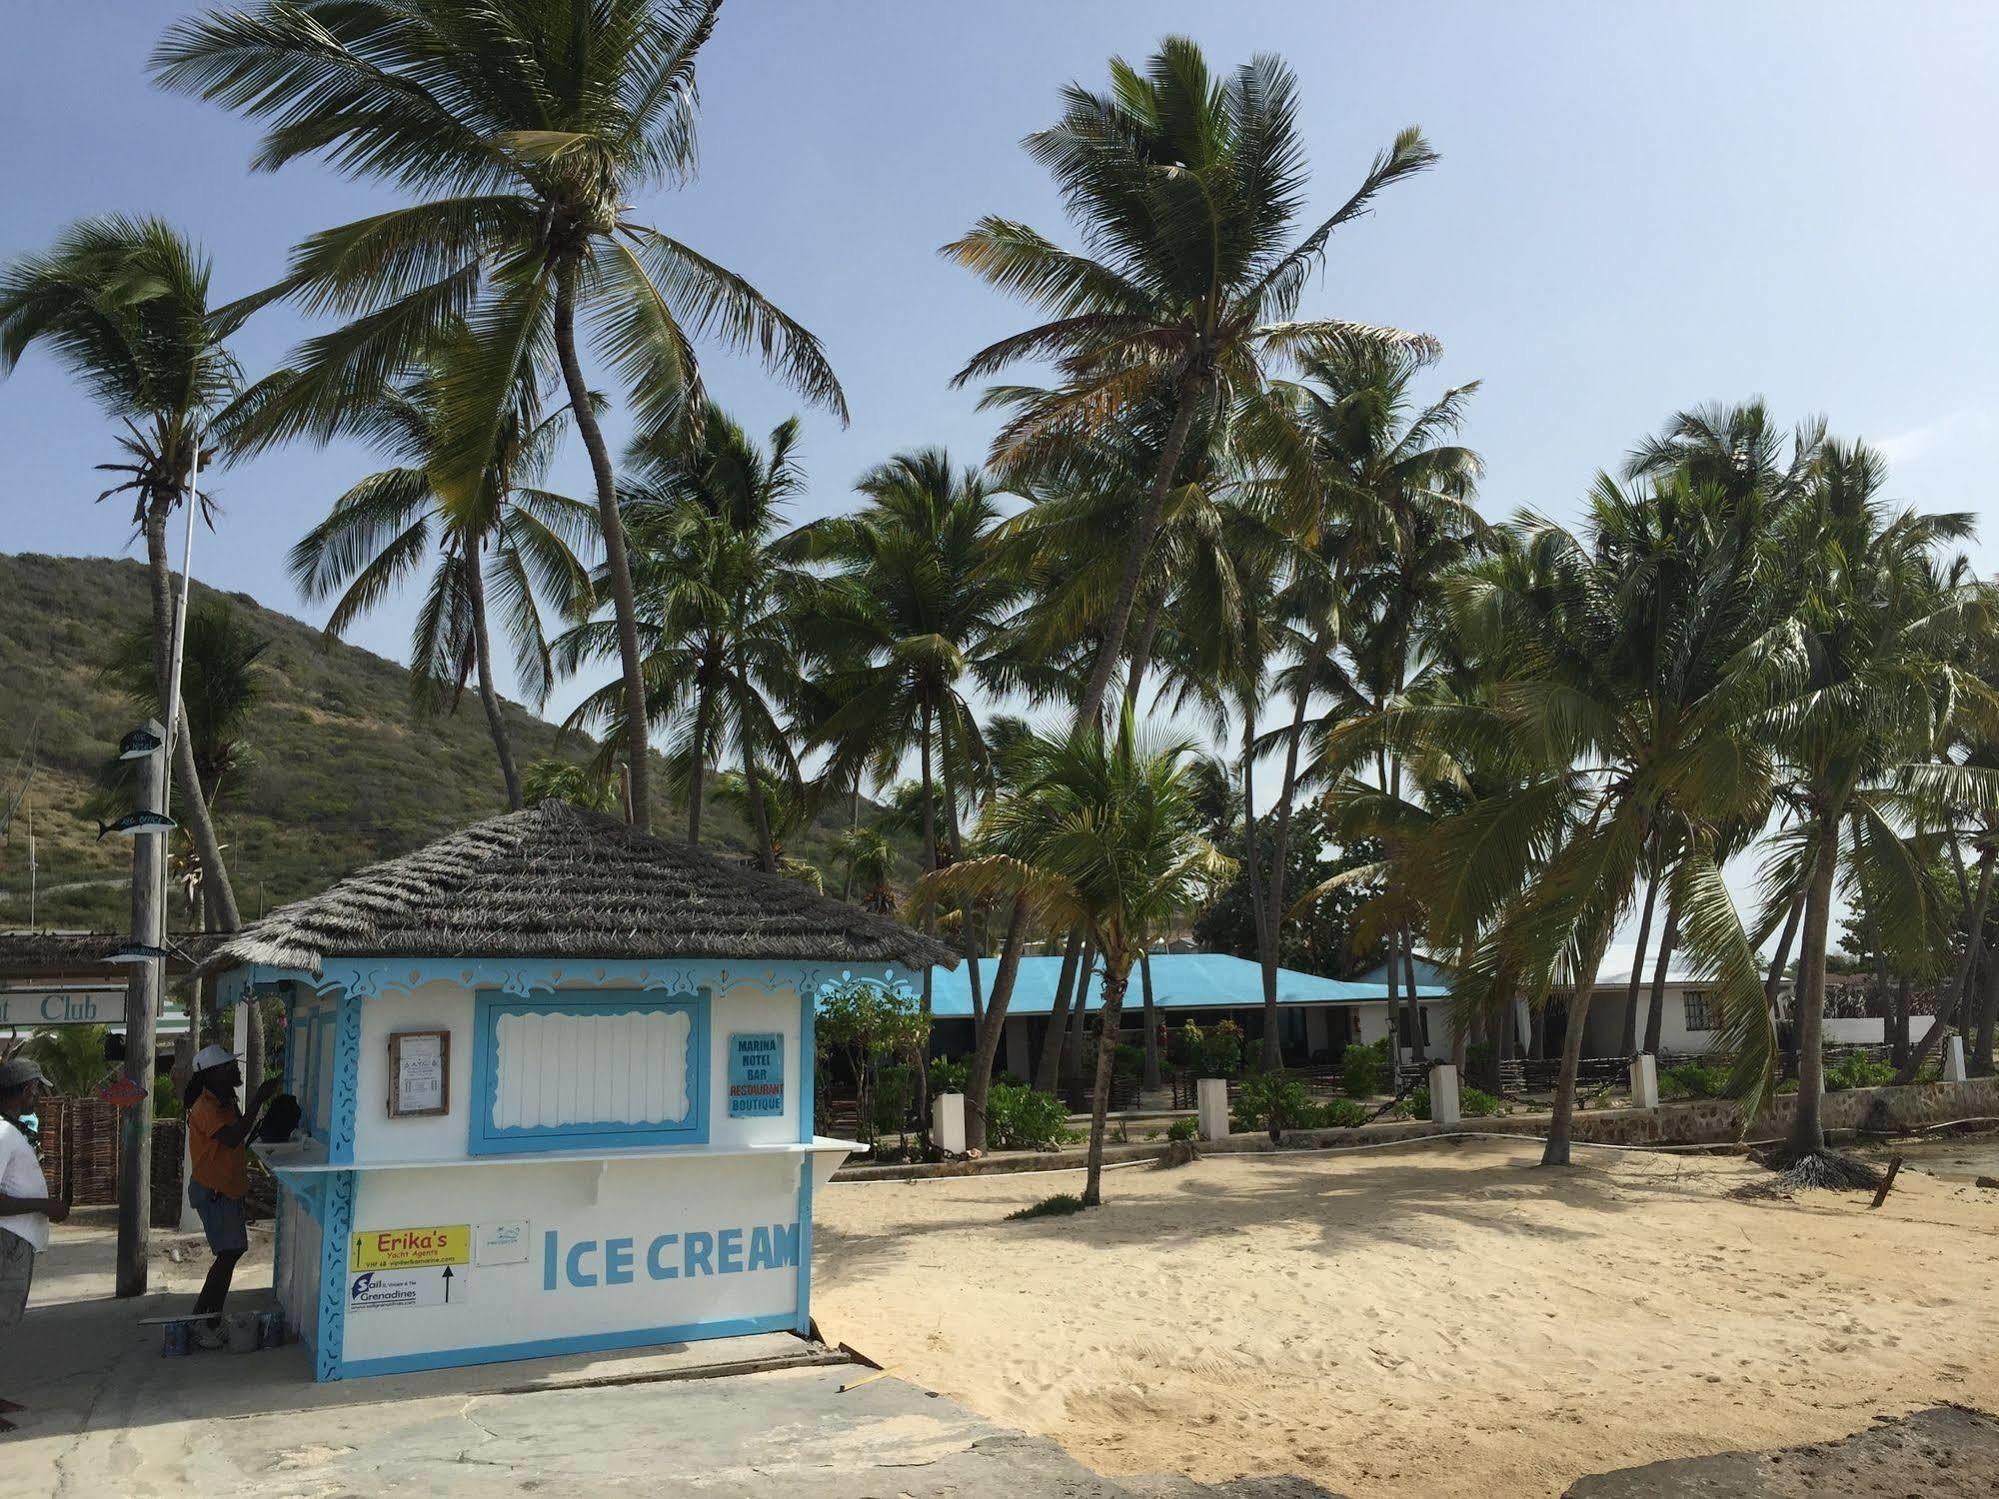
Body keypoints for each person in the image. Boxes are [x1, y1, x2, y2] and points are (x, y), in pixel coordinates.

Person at [184, 1043, 277, 1349]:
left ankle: (208, 1318)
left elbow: (239, 1139)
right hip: (214, 1192)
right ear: (212, 1074)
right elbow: (234, 1136)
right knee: (228, 1254)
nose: (237, 1070)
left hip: (225, 1188)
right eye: (230, 1067)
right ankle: (202, 1322)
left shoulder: (224, 1102)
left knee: (231, 1253)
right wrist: (258, 1101)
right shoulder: (205, 1108)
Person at [1, 1056, 68, 1430]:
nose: (38, 1096)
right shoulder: (2, 1133)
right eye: (36, 1089)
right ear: (26, 1090)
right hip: (7, 1241)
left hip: (16, 1240)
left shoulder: (10, 1130)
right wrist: (46, 1205)